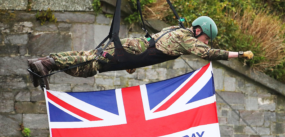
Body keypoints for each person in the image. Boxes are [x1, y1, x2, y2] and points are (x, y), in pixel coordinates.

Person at [28, 16, 254, 89]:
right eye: (205, 38)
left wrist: (133, 59)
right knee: (92, 60)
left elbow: (155, 42)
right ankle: (47, 62)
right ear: (198, 31)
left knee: (90, 66)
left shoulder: (176, 30)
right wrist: (239, 53)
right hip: (131, 50)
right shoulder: (186, 38)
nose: (205, 43)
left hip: (133, 50)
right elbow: (210, 54)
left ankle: (43, 64)